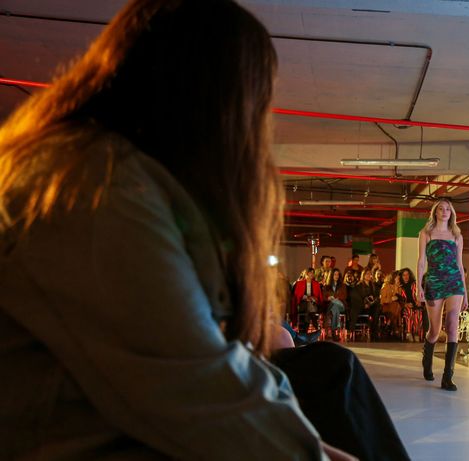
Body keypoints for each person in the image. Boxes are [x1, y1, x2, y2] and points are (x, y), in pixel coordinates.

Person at [0, 1, 408, 459]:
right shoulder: (92, 188)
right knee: (323, 377)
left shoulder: (118, 176)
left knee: (330, 367)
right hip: (76, 432)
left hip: (103, 403)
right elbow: (196, 385)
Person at [417, 199, 468, 391]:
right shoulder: (426, 233)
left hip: (454, 282)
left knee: (453, 324)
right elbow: (421, 262)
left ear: (451, 213)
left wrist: (465, 292)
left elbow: (460, 265)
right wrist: (418, 286)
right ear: (435, 212)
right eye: (441, 209)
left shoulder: (457, 236)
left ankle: (448, 377)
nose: (445, 211)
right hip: (434, 282)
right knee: (435, 331)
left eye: (448, 209)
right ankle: (427, 357)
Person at [292, 268, 324, 333]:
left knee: (309, 307)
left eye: (312, 273)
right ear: (306, 274)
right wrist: (305, 297)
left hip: (313, 304)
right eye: (310, 273)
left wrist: (313, 298)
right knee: (308, 306)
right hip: (302, 304)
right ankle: (315, 324)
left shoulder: (316, 284)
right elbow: (297, 296)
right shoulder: (299, 283)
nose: (311, 274)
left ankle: (304, 331)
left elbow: (319, 297)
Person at [323, 268, 348, 341]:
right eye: (335, 274)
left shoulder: (343, 285)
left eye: (338, 275)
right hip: (333, 306)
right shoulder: (327, 286)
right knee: (335, 308)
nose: (336, 276)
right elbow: (324, 297)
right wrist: (328, 298)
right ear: (331, 276)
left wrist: (335, 298)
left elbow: (344, 296)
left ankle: (329, 327)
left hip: (341, 305)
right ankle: (334, 332)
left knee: (334, 304)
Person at [379, 271, 404, 338]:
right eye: (397, 278)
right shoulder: (386, 285)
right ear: (393, 278)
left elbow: (399, 299)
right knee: (397, 306)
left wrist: (397, 290)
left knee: (397, 305)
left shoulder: (399, 288)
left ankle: (388, 324)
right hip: (386, 306)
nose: (399, 280)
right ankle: (395, 329)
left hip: (395, 308)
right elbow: (382, 300)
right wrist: (391, 299)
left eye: (399, 278)